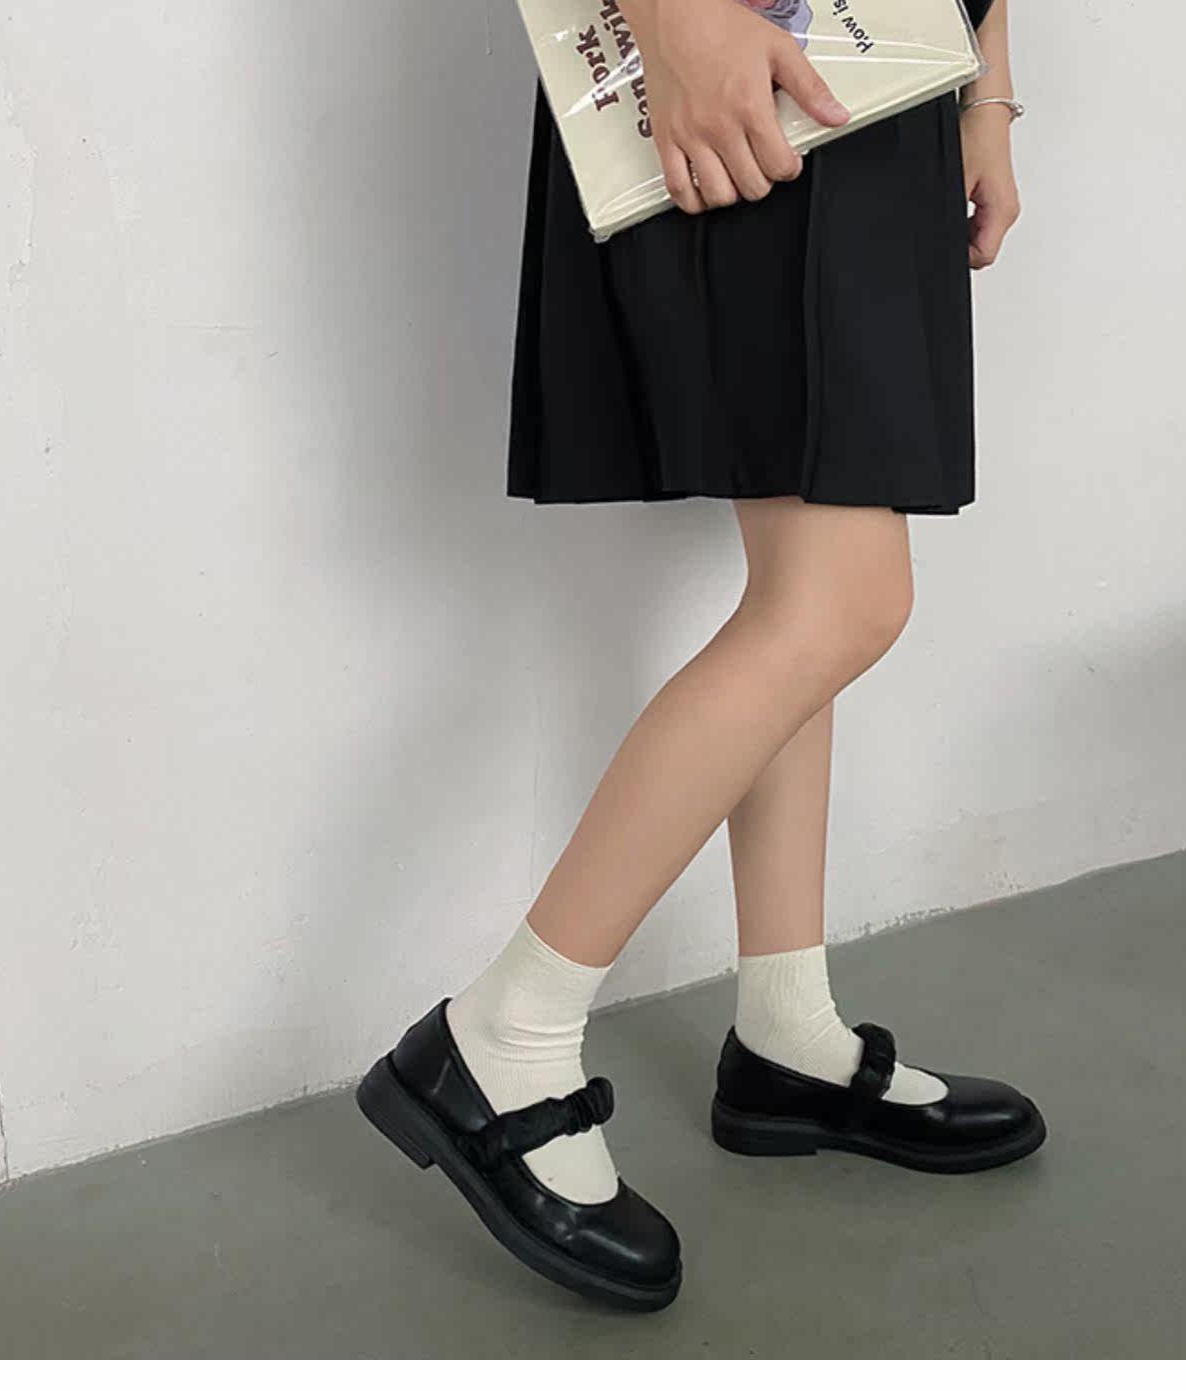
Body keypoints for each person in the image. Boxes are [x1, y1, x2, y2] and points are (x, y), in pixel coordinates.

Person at [357, 0, 1042, 1312]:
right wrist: (674, 16)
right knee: (843, 603)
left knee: (811, 585)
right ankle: (504, 1032)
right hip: (747, 30)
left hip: (890, 53)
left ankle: (786, 1035)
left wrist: (982, 90)